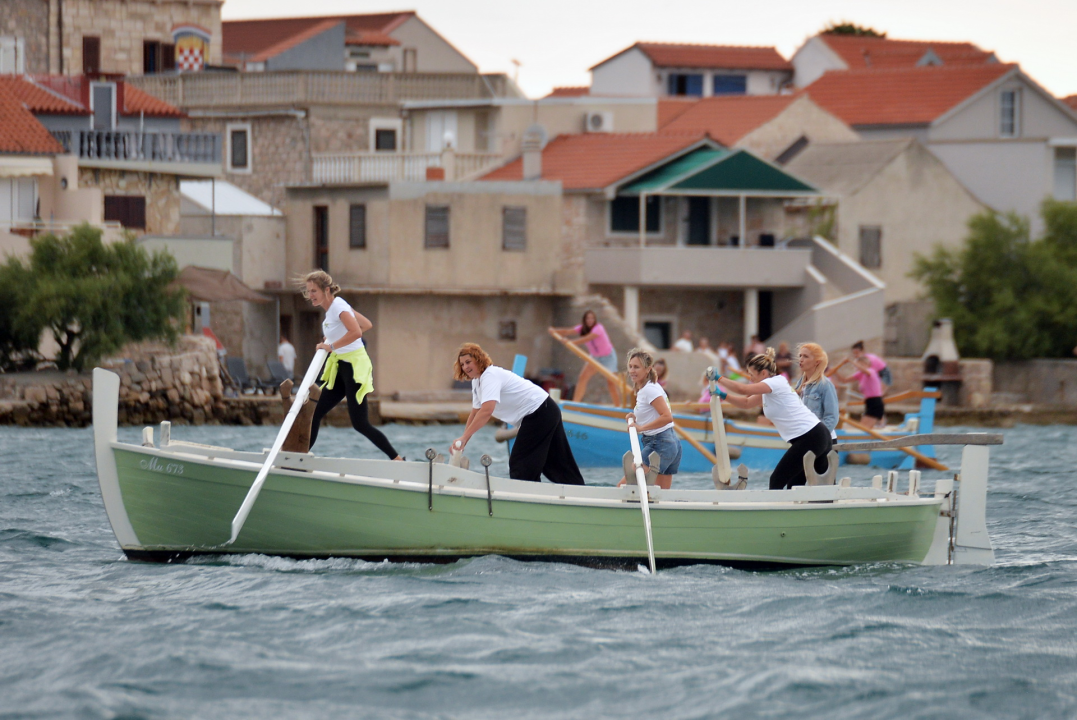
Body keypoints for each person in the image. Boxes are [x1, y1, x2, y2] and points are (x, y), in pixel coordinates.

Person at [303, 270, 403, 460]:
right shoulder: (336, 308)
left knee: (360, 424)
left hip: (354, 368)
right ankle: (300, 455)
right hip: (341, 368)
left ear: (326, 290)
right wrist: (335, 337)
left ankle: (397, 459)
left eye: (314, 291)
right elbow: (367, 324)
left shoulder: (338, 306)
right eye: (308, 291)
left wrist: (331, 345)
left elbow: (357, 331)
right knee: (314, 412)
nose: (310, 295)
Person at [453, 343, 584, 485]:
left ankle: (530, 500)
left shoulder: (490, 375)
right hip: (545, 410)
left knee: (520, 462)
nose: (465, 367)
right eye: (462, 364)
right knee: (556, 462)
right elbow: (475, 413)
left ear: (478, 360)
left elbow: (486, 411)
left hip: (540, 411)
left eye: (468, 362)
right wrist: (464, 439)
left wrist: (465, 437)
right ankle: (580, 494)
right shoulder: (476, 382)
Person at [716, 348, 832, 490]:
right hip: (815, 436)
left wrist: (719, 378)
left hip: (812, 437)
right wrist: (722, 395)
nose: (750, 379)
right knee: (795, 486)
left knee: (776, 480)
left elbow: (743, 390)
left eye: (752, 375)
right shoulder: (768, 391)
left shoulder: (777, 382)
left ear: (764, 373)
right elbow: (746, 403)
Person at [617, 348, 681, 490]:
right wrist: (636, 417)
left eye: (637, 367)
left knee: (623, 488)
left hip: (659, 444)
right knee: (660, 497)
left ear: (647, 369)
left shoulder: (649, 390)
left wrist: (640, 428)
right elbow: (653, 413)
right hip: (670, 443)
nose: (632, 371)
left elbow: (667, 417)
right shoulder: (650, 387)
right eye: (631, 367)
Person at [552, 310, 621, 405]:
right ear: (584, 320)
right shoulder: (581, 328)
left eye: (592, 318)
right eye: (588, 318)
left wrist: (571, 342)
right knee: (583, 377)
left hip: (608, 357)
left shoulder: (598, 328)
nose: (590, 320)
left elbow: (588, 338)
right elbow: (568, 331)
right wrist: (554, 331)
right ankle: (575, 404)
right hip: (595, 357)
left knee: (611, 383)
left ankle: (618, 407)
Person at [795, 343, 838, 439]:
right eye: (800, 356)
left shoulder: (825, 384)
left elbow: (832, 417)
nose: (801, 359)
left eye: (805, 356)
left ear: (817, 362)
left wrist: (819, 437)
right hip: (804, 437)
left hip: (822, 439)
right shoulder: (800, 384)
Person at [833, 354, 885, 429]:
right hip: (869, 402)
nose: (856, 367)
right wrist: (835, 372)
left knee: (865, 427)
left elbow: (864, 370)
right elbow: (844, 380)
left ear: (866, 364)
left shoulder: (871, 371)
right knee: (863, 427)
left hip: (876, 402)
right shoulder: (860, 374)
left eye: (860, 364)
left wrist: (850, 361)